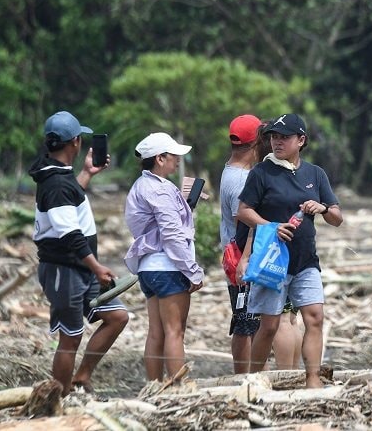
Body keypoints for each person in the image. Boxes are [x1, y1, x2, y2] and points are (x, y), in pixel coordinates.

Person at [236, 113, 343, 387]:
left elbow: (337, 218)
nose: (277, 142)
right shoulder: (262, 172)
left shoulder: (315, 174)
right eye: (273, 137)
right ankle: (254, 380)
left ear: (301, 140)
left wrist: (322, 208)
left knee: (315, 317)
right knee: (269, 325)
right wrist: (271, 227)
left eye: (284, 137)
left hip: (306, 260)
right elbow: (244, 212)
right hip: (272, 261)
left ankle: (313, 379)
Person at [30, 111, 129, 396]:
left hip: (79, 267)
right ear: (74, 142)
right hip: (65, 270)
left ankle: (81, 377)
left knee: (117, 317)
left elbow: (68, 211)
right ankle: (58, 399)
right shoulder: (56, 183)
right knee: (70, 338)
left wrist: (86, 174)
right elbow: (70, 234)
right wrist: (97, 267)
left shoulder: (59, 175)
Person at [220, 114, 302, 373]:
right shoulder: (248, 178)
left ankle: (260, 374)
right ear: (258, 142)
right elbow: (248, 224)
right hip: (258, 258)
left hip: (246, 257)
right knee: (269, 321)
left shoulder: (231, 170)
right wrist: (247, 259)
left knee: (253, 322)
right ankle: (263, 375)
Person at [124, 132, 205, 381]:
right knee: (174, 331)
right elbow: (171, 235)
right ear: (160, 158)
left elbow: (160, 225)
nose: (178, 160)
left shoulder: (144, 185)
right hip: (168, 266)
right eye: (174, 156)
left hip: (149, 267)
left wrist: (184, 204)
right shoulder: (159, 190)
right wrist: (193, 270)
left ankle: (154, 386)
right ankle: (177, 388)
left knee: (156, 332)